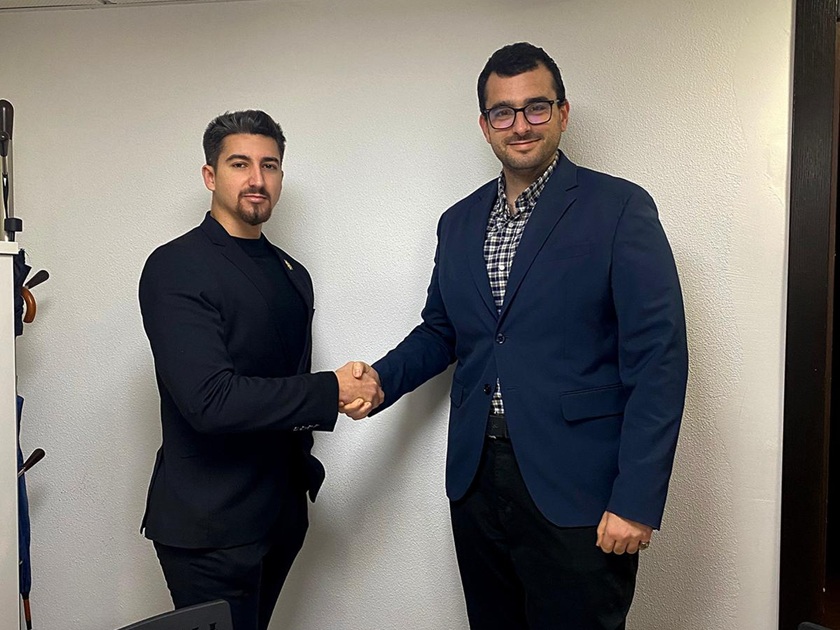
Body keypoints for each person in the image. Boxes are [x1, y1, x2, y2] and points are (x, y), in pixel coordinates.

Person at [344, 43, 688, 629]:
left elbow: (658, 359)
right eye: (503, 112)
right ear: (485, 125)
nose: (520, 125)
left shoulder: (619, 208)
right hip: (478, 480)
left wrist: (636, 499)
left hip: (578, 487)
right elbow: (442, 331)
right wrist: (381, 380)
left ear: (562, 113)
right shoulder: (458, 222)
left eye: (536, 107)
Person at [138, 110, 382, 630]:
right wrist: (331, 390)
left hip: (279, 516)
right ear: (210, 175)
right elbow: (210, 400)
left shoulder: (294, 274)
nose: (256, 179)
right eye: (240, 164)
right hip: (210, 528)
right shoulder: (175, 266)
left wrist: (345, 394)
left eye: (269, 165)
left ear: (281, 177)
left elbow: (283, 383)